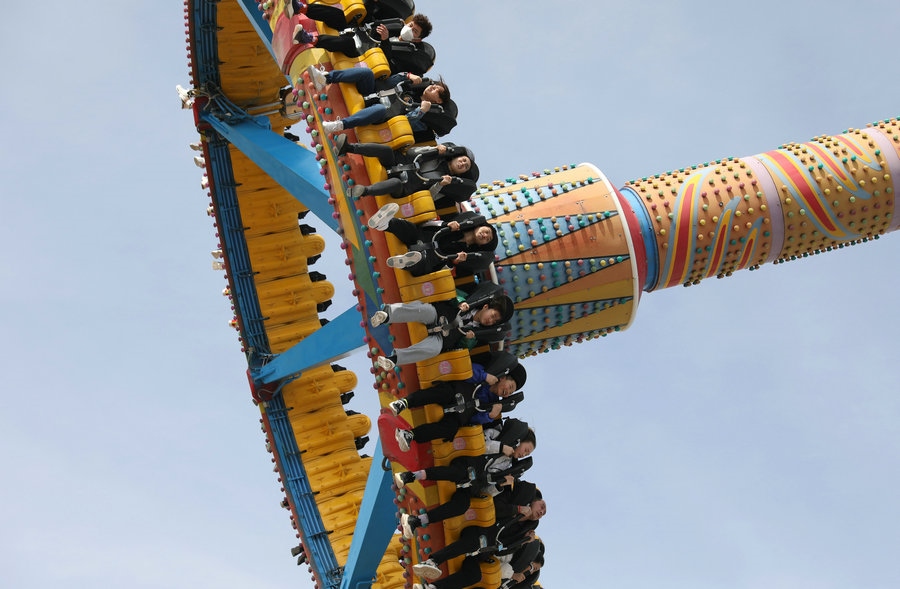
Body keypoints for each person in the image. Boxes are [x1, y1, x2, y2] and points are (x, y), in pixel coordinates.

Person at [395, 419, 536, 534]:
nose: (524, 454)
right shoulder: (498, 434)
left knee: (462, 506)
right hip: (468, 463)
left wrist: (499, 486)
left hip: (473, 483)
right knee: (459, 473)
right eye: (526, 449)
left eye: (527, 454)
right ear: (519, 440)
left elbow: (486, 490)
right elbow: (480, 444)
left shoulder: (507, 466)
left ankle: (417, 520)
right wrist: (501, 447)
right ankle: (411, 476)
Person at [410, 482, 547, 585]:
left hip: (484, 549)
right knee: (476, 541)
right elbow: (496, 507)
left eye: (543, 514)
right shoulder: (513, 495)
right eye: (542, 507)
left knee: (474, 575)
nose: (541, 512)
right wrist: (517, 509)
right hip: (477, 527)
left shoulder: (522, 530)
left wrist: (522, 541)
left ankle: (433, 587)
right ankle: (433, 561)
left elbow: (503, 550)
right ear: (534, 500)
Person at [389, 353, 527, 451]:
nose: (508, 392)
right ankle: (405, 402)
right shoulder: (486, 372)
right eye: (510, 387)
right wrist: (484, 376)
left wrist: (489, 416)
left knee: (450, 429)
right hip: (454, 392)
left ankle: (410, 435)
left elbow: (474, 419)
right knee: (443, 393)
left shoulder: (493, 403)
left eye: (511, 392)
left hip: (459, 414)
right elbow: (467, 372)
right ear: (503, 378)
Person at [369, 282, 514, 370]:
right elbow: (452, 293)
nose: (491, 321)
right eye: (493, 315)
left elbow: (462, 347)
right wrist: (460, 302)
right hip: (437, 315)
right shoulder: (470, 301)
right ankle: (387, 314)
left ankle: (394, 359)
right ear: (486, 307)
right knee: (424, 310)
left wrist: (468, 339)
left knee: (433, 349)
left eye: (494, 321)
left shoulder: (476, 333)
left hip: (442, 339)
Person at [308, 66, 456, 143]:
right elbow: (392, 80)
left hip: (381, 114)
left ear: (438, 101)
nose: (432, 87)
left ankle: (339, 125)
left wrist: (421, 111)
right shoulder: (412, 87)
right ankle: (325, 79)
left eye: (436, 91)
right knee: (366, 73)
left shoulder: (423, 116)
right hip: (373, 92)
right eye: (434, 86)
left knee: (380, 109)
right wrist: (408, 75)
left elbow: (406, 123)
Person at [336, 138, 479, 208]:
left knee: (396, 183)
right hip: (399, 163)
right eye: (463, 160)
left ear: (462, 173)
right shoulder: (437, 155)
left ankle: (364, 191)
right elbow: (412, 152)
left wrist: (440, 185)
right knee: (386, 151)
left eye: (465, 166)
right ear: (456, 157)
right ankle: (348, 147)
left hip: (405, 186)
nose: (462, 164)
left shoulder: (446, 182)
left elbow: (430, 197)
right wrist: (434, 150)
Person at [366, 204, 497, 276]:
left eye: (488, 239)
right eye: (487, 231)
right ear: (479, 226)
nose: (485, 235)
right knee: (409, 228)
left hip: (432, 257)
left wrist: (455, 262)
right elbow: (430, 224)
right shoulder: (458, 224)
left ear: (482, 245)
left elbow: (445, 269)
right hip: (424, 237)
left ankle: (404, 262)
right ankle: (384, 223)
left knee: (420, 261)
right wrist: (447, 224)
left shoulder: (467, 254)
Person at [295, 12, 434, 75]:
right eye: (411, 26)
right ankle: (301, 7)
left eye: (415, 31)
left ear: (418, 39)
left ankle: (308, 38)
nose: (409, 30)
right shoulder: (394, 28)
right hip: (359, 39)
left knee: (348, 43)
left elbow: (390, 64)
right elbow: (371, 26)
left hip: (364, 59)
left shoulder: (407, 52)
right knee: (338, 15)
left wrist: (385, 40)